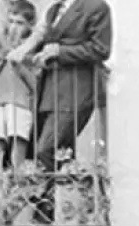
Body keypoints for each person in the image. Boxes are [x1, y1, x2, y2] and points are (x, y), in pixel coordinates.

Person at [8, 0, 112, 190]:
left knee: (46, 150)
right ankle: (69, 207)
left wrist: (60, 51)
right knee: (62, 155)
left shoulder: (96, 7)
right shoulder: (54, 10)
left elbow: (101, 49)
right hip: (51, 92)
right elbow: (44, 42)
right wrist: (37, 58)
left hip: (76, 90)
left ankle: (39, 202)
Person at [0, 0, 39, 170]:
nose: (14, 27)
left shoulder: (31, 49)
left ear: (30, 25)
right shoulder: (1, 46)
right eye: (11, 21)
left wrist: (20, 65)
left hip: (21, 101)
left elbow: (35, 84)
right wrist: (0, 60)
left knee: (18, 146)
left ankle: (17, 189)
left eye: (19, 23)